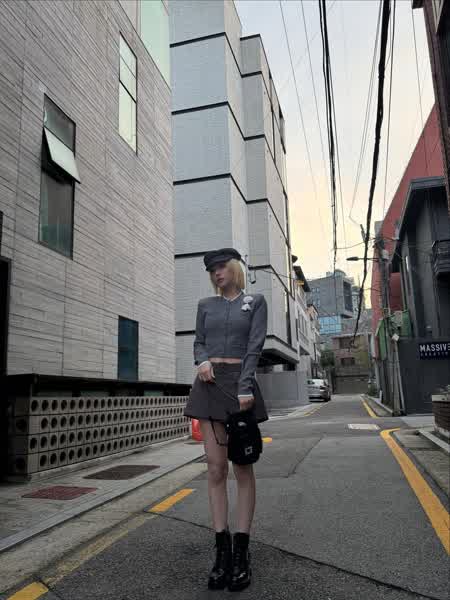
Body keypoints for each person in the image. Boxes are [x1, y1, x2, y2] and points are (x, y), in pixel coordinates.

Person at [184, 247, 268, 592]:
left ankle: (242, 550)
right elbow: (199, 342)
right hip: (209, 386)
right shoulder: (206, 305)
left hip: (240, 387)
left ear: (234, 268)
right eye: (212, 270)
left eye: (221, 267)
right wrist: (201, 360)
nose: (217, 273)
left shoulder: (255, 302)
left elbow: (255, 346)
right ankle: (221, 551)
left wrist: (246, 385)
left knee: (242, 468)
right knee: (216, 469)